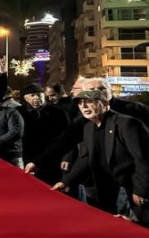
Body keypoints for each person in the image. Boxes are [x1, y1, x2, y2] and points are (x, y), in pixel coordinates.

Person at [52, 90, 149, 225]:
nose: (84, 107)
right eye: (80, 103)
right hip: (106, 189)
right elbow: (86, 158)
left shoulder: (127, 124)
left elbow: (143, 159)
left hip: (131, 188)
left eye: (89, 102)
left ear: (105, 103)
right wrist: (66, 181)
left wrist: (141, 190)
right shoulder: (88, 128)